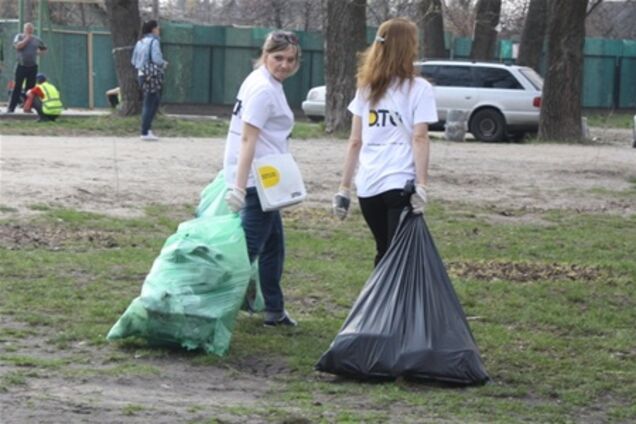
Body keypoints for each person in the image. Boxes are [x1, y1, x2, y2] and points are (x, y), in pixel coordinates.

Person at [332, 17, 438, 266]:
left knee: (384, 249)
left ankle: (379, 304)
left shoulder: (366, 89)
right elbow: (420, 137)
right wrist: (422, 184)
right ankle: (394, 304)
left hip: (368, 185)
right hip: (399, 181)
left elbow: (355, 141)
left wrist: (344, 188)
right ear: (408, 48)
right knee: (400, 256)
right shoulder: (420, 89)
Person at [223, 30, 301, 327]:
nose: (284, 64)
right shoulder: (264, 89)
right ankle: (213, 306)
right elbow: (247, 139)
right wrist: (239, 188)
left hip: (267, 179)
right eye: (277, 57)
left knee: (273, 246)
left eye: (290, 59)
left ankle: (274, 309)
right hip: (257, 181)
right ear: (265, 55)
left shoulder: (264, 80)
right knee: (247, 252)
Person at [131, 20, 167, 141]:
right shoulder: (154, 41)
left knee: (154, 100)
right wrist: (163, 63)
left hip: (142, 74)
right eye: (157, 28)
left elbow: (134, 60)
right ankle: (145, 131)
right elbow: (156, 59)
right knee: (150, 102)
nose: (159, 30)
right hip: (152, 75)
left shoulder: (140, 42)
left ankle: (147, 129)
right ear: (153, 29)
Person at [7, 22, 47, 113]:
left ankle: (27, 107)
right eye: (27, 29)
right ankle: (11, 108)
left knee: (30, 89)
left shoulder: (36, 39)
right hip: (21, 66)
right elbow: (18, 46)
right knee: (17, 87)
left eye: (31, 29)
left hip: (32, 67)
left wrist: (39, 53)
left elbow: (44, 48)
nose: (29, 31)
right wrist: (27, 39)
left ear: (33, 30)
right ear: (24, 29)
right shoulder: (19, 37)